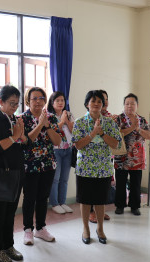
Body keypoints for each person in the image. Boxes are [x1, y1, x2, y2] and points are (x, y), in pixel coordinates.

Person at [0, 85, 30, 262]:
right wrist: (14, 136)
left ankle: (8, 245)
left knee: (11, 212)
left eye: (17, 104)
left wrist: (23, 136)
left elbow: (25, 144)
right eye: (11, 103)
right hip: (0, 172)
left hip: (17, 171)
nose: (14, 107)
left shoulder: (16, 120)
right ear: (1, 102)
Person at [72, 90, 120, 245]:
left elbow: (115, 144)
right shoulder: (79, 122)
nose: (97, 104)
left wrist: (102, 133)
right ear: (87, 104)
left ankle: (100, 228)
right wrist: (93, 133)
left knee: (100, 201)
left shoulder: (110, 122)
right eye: (93, 101)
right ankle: (85, 228)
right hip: (85, 168)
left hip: (103, 167)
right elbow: (78, 145)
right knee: (85, 200)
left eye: (100, 101)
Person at [20, 87, 62, 245]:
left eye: (41, 98)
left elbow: (57, 141)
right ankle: (28, 230)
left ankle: (40, 228)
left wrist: (47, 126)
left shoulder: (51, 118)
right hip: (29, 165)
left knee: (43, 198)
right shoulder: (22, 119)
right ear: (28, 101)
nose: (38, 101)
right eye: (34, 98)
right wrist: (40, 125)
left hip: (48, 164)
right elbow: (25, 141)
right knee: (29, 197)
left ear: (45, 100)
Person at [114, 93, 150, 216]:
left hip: (137, 158)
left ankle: (134, 206)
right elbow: (117, 134)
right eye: (127, 103)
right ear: (124, 105)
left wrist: (138, 129)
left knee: (136, 183)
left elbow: (149, 136)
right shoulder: (118, 119)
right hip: (121, 157)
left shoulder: (142, 120)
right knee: (120, 183)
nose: (129, 106)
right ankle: (120, 205)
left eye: (132, 103)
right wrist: (132, 128)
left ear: (137, 105)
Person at [47, 91, 74, 214]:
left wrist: (66, 120)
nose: (60, 103)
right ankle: (54, 203)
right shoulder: (49, 116)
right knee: (55, 179)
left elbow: (74, 130)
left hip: (68, 149)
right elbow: (51, 130)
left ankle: (63, 202)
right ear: (52, 103)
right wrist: (61, 122)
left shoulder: (68, 114)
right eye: (57, 100)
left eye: (62, 100)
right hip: (55, 150)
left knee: (64, 178)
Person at [89, 90, 113, 223]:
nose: (99, 103)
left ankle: (100, 211)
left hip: (105, 158)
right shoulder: (89, 118)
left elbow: (115, 140)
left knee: (103, 188)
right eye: (95, 100)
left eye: (103, 100)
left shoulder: (110, 118)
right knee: (91, 188)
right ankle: (92, 212)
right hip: (90, 161)